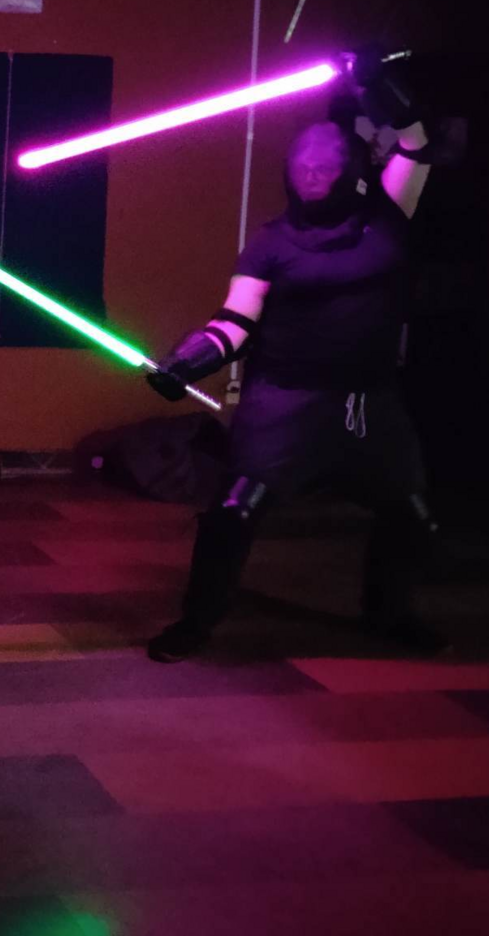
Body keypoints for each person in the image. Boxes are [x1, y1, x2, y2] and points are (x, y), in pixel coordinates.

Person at [142, 50, 446, 662]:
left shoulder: (388, 215)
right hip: (284, 401)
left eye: (325, 164)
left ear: (350, 169)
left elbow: (417, 143)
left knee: (412, 515)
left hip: (368, 402)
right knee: (233, 512)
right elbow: (236, 321)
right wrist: (188, 362)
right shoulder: (270, 244)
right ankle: (197, 622)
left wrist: (375, 81)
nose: (312, 172)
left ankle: (390, 614)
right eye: (303, 164)